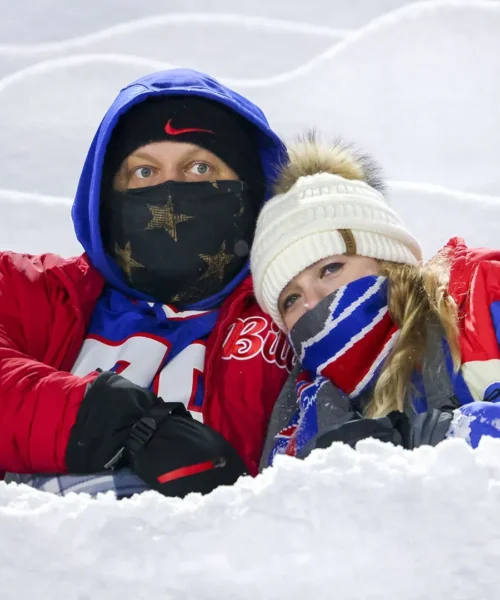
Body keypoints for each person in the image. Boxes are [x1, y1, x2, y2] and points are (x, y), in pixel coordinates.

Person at [0, 68, 295, 499]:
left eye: (200, 167)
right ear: (104, 195)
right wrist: (122, 424)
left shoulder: (292, 308)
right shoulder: (30, 289)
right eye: (143, 172)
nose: (171, 192)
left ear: (251, 192)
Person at [250, 133, 500, 467]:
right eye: (291, 299)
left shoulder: (481, 296)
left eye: (330, 269)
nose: (313, 303)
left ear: (385, 258)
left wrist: (446, 436)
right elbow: (281, 510)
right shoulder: (305, 408)